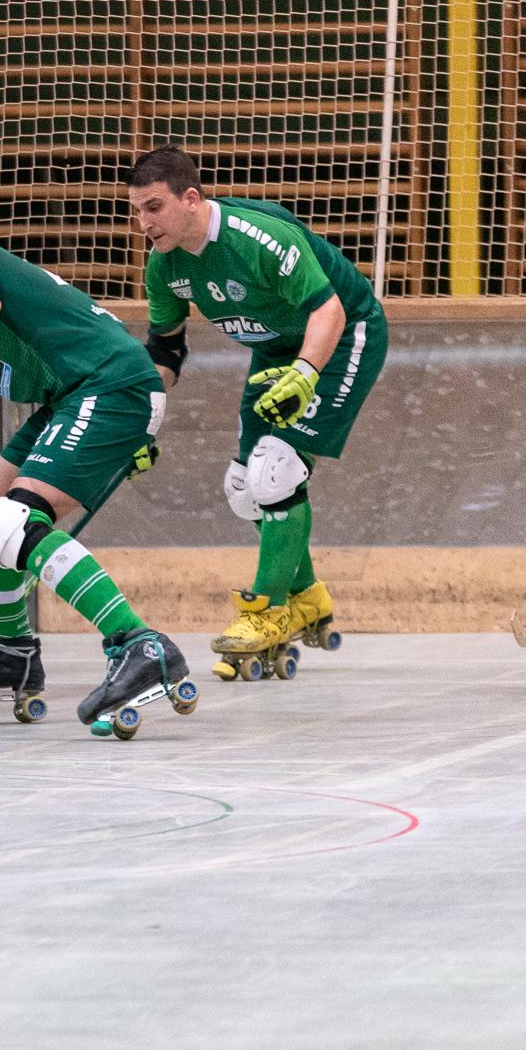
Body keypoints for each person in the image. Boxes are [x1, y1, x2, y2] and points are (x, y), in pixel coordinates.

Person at [0, 184, 188, 733]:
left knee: (14, 522)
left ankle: (141, 643)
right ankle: (12, 652)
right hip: (78, 398)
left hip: (108, 389)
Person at [127, 146, 387, 680]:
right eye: (136, 211)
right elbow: (165, 352)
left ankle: (267, 611)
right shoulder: (164, 265)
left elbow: (329, 309)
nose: (143, 223)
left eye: (153, 207)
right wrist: (138, 422)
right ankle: (307, 597)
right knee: (245, 489)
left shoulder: (257, 237)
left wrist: (308, 373)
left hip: (341, 338)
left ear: (192, 199)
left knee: (277, 470)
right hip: (275, 352)